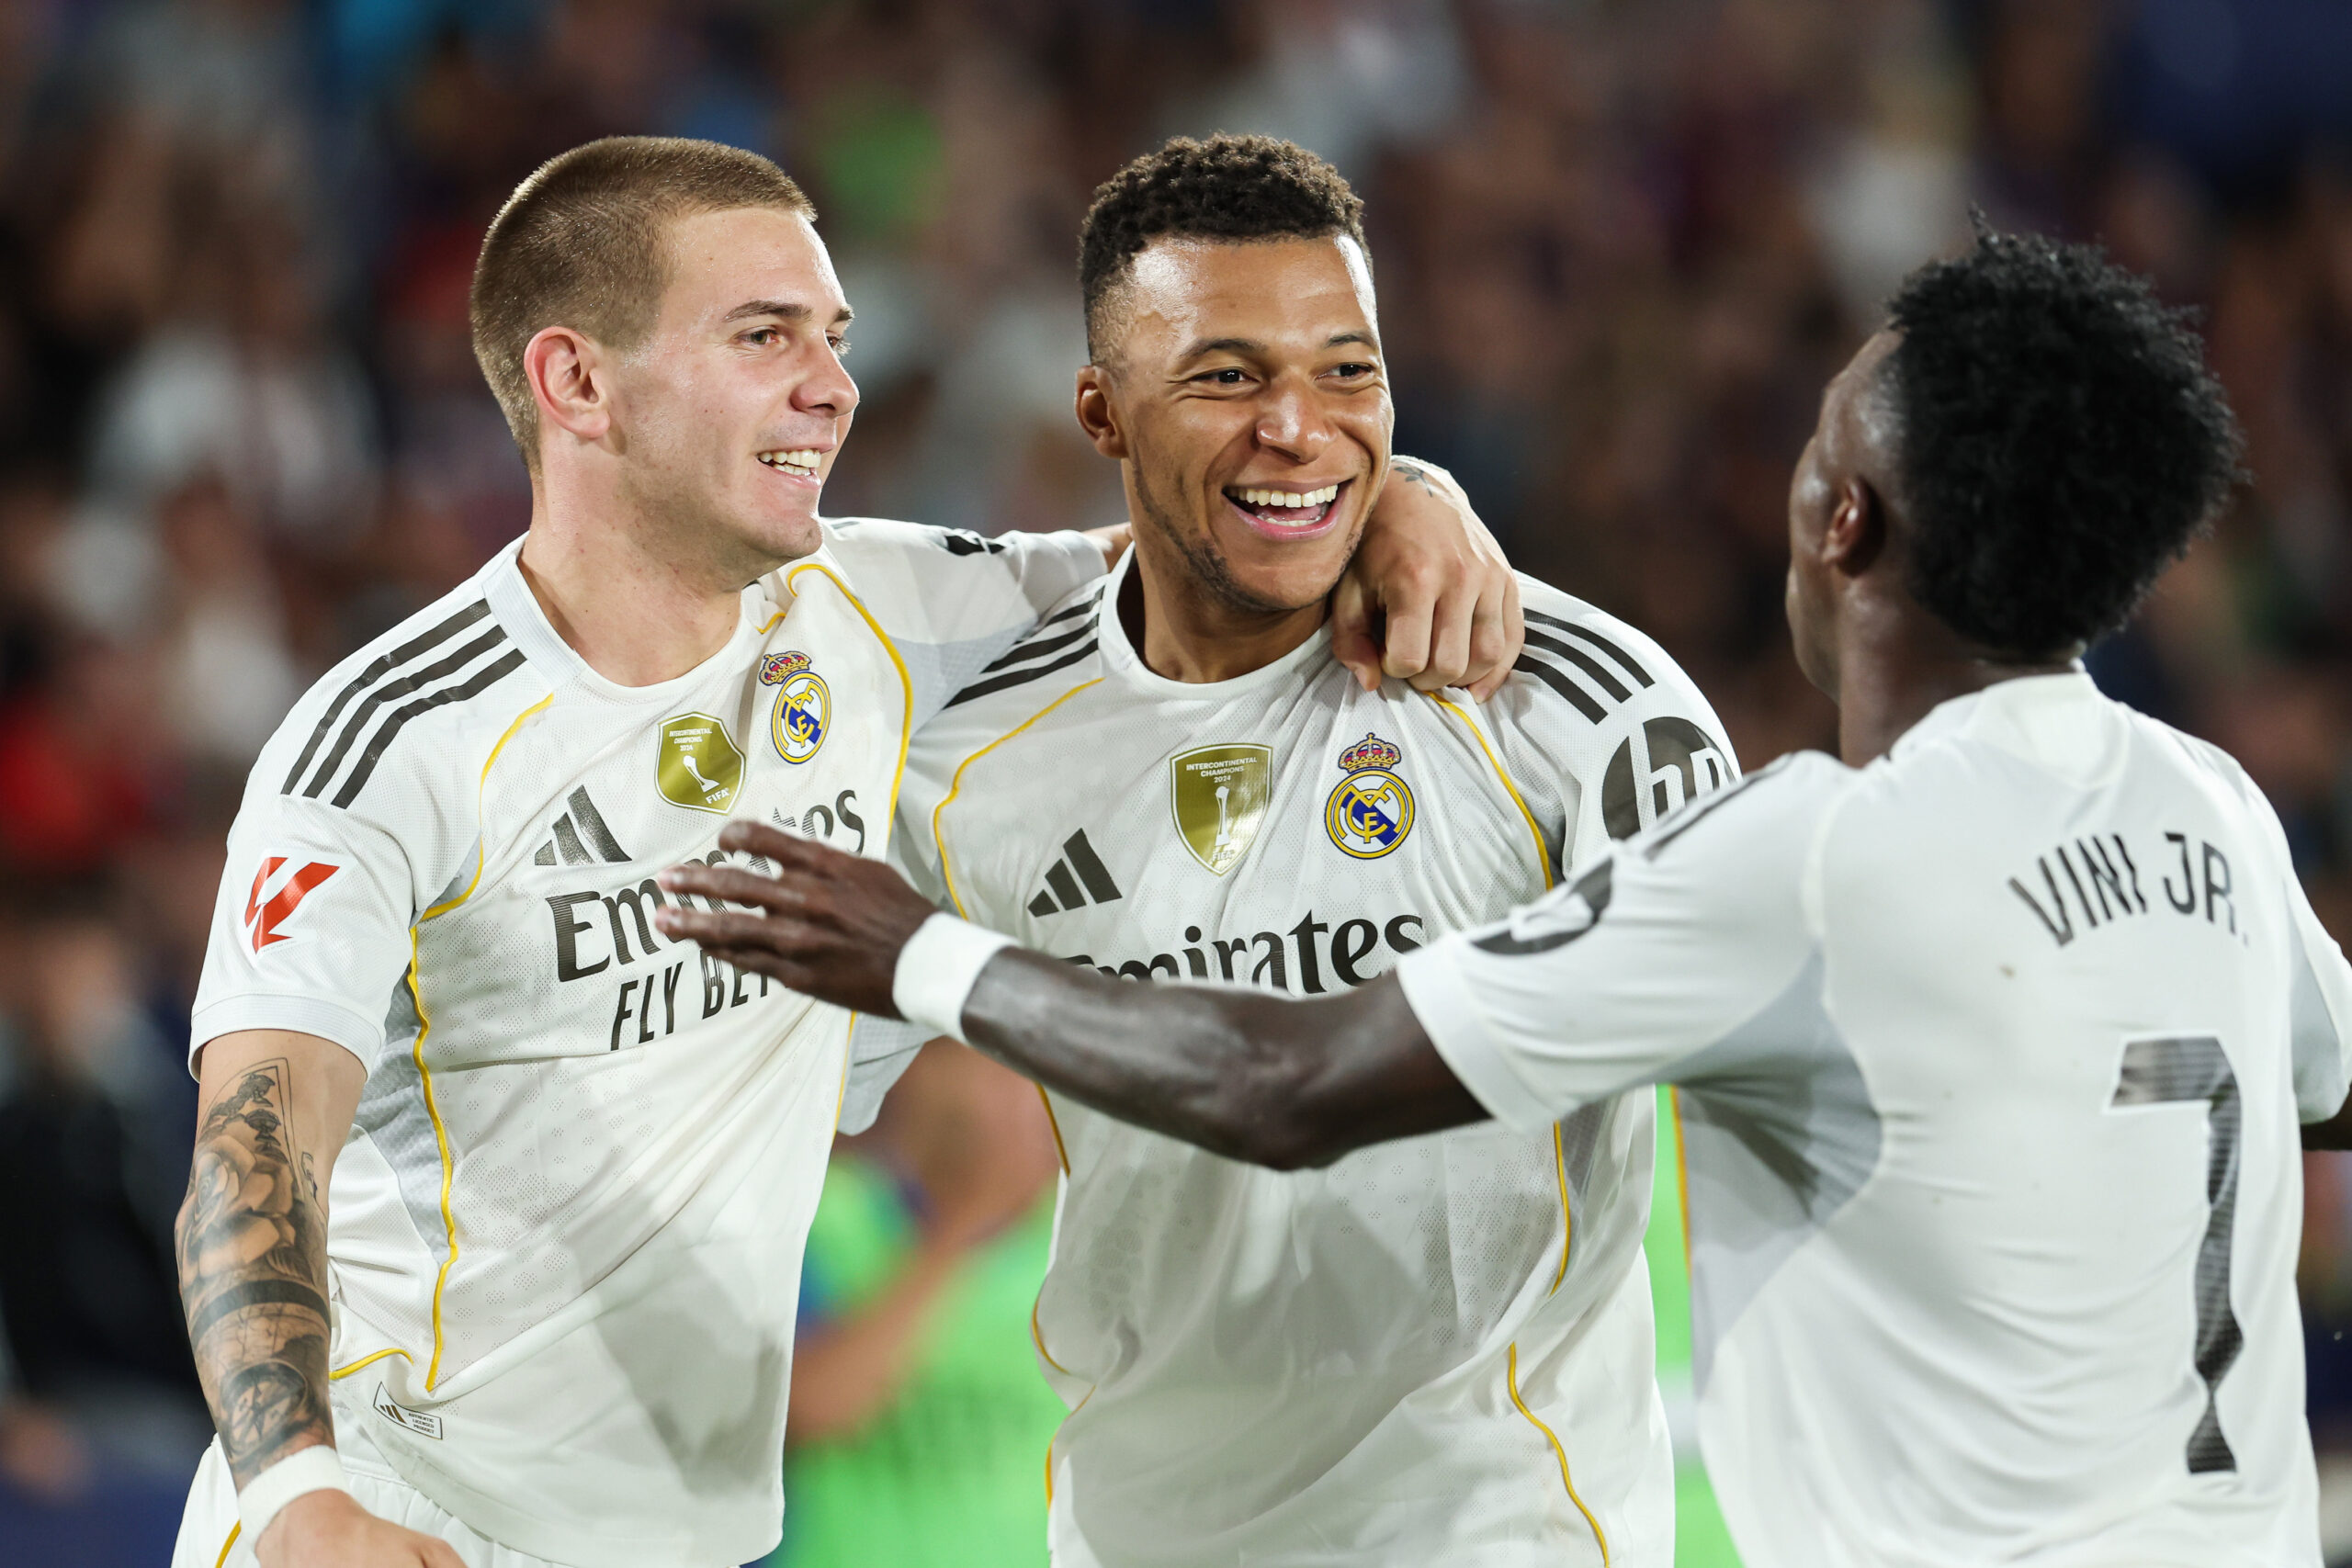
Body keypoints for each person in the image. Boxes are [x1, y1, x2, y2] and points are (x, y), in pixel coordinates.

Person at [659, 227, 2352, 1567]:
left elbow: (1286, 1089)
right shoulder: (2203, 808)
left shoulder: (1808, 860)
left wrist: (923, 956)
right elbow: (2322, 1093)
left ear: (1841, 519)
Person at [167, 135, 1520, 1568]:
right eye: (764, 336)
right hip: (394, 1522)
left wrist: (1407, 493)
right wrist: (295, 1492)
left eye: (835, 335)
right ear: (578, 384)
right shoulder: (392, 743)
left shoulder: (886, 622)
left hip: (691, 1542)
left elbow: (1218, 553)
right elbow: (256, 1146)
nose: (836, 384)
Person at [828, 133, 1732, 1567]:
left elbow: (1781, 1087)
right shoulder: (960, 744)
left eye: (1349, 370)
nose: (1300, 428)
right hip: (1137, 1535)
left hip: (1506, 1535)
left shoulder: (1566, 702)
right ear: (1102, 412)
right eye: (1226, 376)